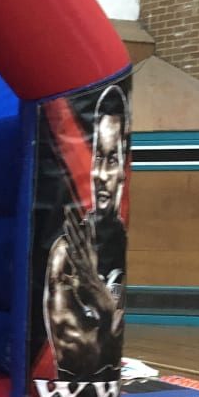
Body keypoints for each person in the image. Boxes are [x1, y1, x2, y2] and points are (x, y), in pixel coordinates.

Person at [43, 84, 129, 380]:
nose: (102, 175)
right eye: (99, 158)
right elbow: (79, 359)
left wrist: (98, 297)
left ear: (124, 170)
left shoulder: (121, 242)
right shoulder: (66, 253)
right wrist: (108, 314)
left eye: (113, 160)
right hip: (69, 394)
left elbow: (110, 354)